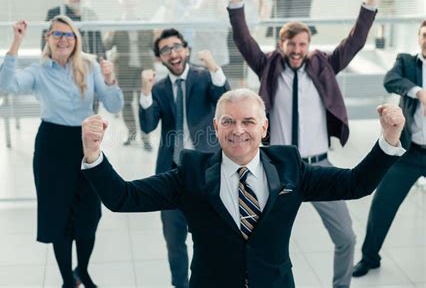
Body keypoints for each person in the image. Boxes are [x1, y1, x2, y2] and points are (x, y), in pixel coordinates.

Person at [81, 88, 405, 288]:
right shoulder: (191, 172)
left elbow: (356, 183)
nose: (238, 131)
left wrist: (389, 140)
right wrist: (94, 154)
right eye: (228, 122)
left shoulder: (289, 165)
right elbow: (122, 197)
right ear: (216, 127)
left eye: (248, 122)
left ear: (264, 127)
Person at [228, 0, 380, 287]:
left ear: (309, 45)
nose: (297, 50)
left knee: (346, 237)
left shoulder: (323, 65)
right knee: (255, 237)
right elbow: (243, 40)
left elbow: (356, 40)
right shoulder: (268, 65)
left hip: (318, 167)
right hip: (279, 170)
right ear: (280, 44)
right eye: (291, 44)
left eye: (302, 44)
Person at [0, 16, 124, 288]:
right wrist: (16, 42)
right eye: (57, 34)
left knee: (90, 214)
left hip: (86, 144)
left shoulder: (89, 66)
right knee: (58, 216)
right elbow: (6, 85)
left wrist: (111, 80)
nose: (64, 39)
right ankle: (68, 279)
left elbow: (114, 106)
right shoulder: (39, 70)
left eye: (69, 35)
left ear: (76, 39)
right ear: (48, 39)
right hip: (52, 146)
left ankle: (83, 271)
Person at [138, 28, 230, 288]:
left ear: (186, 50)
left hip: (207, 174)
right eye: (166, 50)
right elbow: (147, 126)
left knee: (211, 239)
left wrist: (214, 66)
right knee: (175, 243)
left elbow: (224, 95)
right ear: (160, 58)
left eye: (177, 46)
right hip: (172, 176)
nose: (173, 53)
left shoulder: (204, 78)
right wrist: (145, 91)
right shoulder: (158, 88)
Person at [352, 20, 426, 277]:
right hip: (409, 152)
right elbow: (390, 80)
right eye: (424, 35)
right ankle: (369, 257)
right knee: (382, 204)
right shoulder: (406, 62)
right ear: (418, 38)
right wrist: (419, 92)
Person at [42, 0, 107, 114]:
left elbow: (99, 44)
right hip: (64, 71)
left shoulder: (90, 15)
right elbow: (45, 44)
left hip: (88, 69)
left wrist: (102, 66)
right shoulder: (55, 14)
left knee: (91, 113)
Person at [104, 0, 154, 150]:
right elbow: (106, 46)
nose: (129, 5)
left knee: (145, 102)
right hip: (124, 68)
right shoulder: (116, 23)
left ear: (137, 3)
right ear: (122, 4)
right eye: (126, 2)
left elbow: (153, 45)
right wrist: (110, 33)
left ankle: (146, 136)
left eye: (132, 1)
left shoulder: (145, 22)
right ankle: (131, 132)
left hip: (143, 68)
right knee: (125, 102)